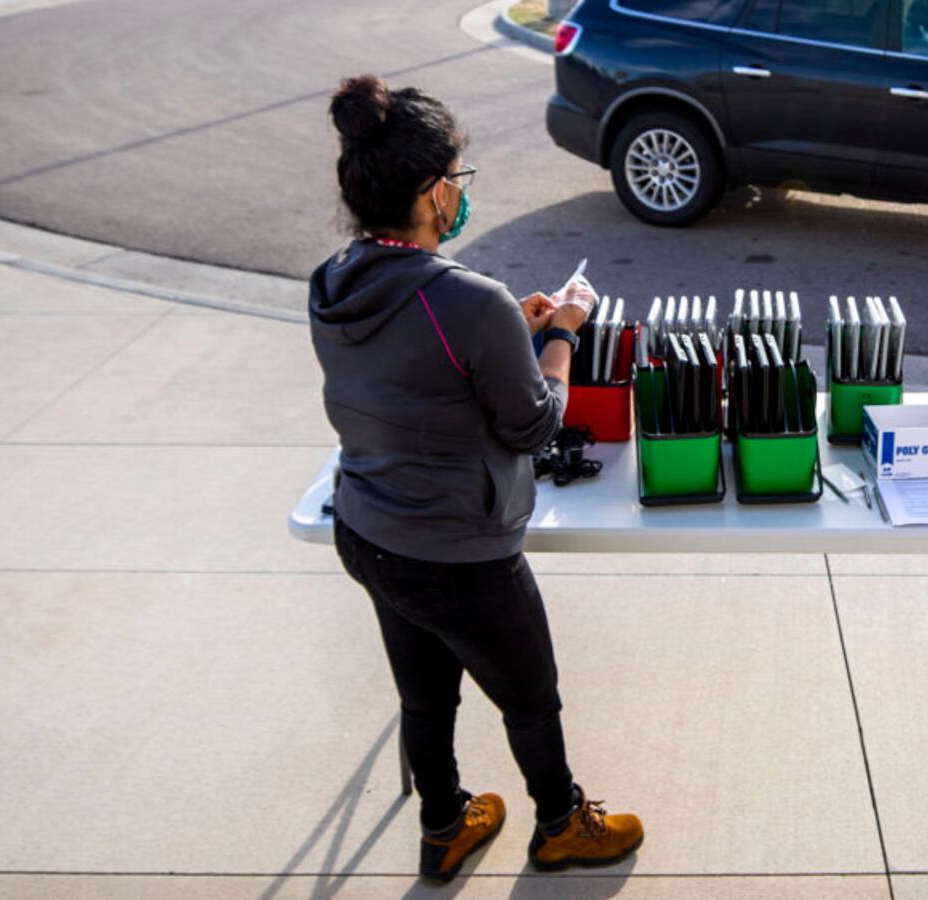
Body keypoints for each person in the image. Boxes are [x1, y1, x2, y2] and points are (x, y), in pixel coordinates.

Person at [308, 74, 643, 884]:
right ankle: (562, 825)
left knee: (426, 698)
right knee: (531, 698)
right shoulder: (470, 300)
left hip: (368, 531)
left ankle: (444, 825)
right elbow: (532, 424)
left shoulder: (333, 283)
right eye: (455, 178)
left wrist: (504, 333)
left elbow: (417, 374)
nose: (459, 193)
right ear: (429, 192)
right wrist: (558, 335)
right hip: (457, 554)